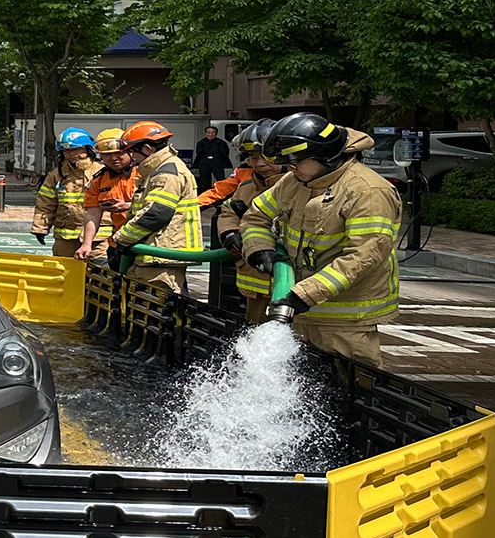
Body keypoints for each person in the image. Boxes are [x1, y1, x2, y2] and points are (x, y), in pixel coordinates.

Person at [244, 112, 402, 368]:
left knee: (351, 389)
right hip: (299, 308)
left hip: (345, 318)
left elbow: (363, 257)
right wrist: (260, 250)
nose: (291, 168)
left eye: (296, 162)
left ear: (325, 155)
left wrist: (304, 294)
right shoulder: (295, 181)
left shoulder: (369, 191)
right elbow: (256, 216)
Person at [106, 120, 203, 294]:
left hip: (162, 253)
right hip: (155, 252)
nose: (132, 157)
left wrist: (122, 239)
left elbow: (156, 213)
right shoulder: (157, 170)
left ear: (148, 149)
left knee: (161, 306)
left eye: (132, 152)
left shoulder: (167, 173)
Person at [210, 119, 284, 323]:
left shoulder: (300, 187)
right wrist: (229, 233)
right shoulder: (247, 187)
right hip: (256, 287)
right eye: (253, 156)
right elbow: (229, 212)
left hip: (292, 287)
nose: (259, 163)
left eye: (267, 156)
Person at [32, 128, 101, 257]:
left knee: (98, 272)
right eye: (67, 150)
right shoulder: (57, 174)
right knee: (64, 272)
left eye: (76, 149)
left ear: (88, 149)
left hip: (98, 238)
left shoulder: (101, 172)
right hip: (65, 237)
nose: (71, 154)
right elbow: (45, 203)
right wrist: (40, 228)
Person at [74, 128, 134, 261]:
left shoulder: (144, 174)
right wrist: (86, 244)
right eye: (107, 154)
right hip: (118, 244)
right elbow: (92, 214)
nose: (113, 158)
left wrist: (129, 206)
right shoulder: (98, 180)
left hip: (148, 244)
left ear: (130, 151)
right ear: (100, 156)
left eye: (119, 153)